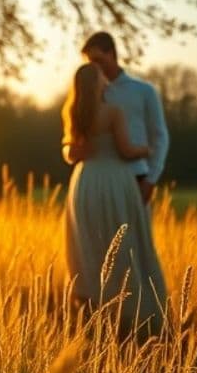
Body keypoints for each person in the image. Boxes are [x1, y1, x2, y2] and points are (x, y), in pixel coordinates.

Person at [62, 60, 167, 331]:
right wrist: (145, 150)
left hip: (84, 183)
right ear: (97, 84)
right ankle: (131, 314)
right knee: (125, 245)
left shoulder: (73, 113)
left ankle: (92, 312)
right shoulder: (112, 112)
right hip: (114, 183)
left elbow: (71, 153)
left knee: (88, 247)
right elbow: (125, 150)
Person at [81, 32, 169, 209]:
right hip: (95, 182)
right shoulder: (87, 96)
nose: (94, 67)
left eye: (98, 60)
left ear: (112, 54)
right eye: (90, 62)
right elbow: (72, 137)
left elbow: (160, 137)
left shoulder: (144, 91)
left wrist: (150, 180)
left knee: (130, 235)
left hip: (135, 178)